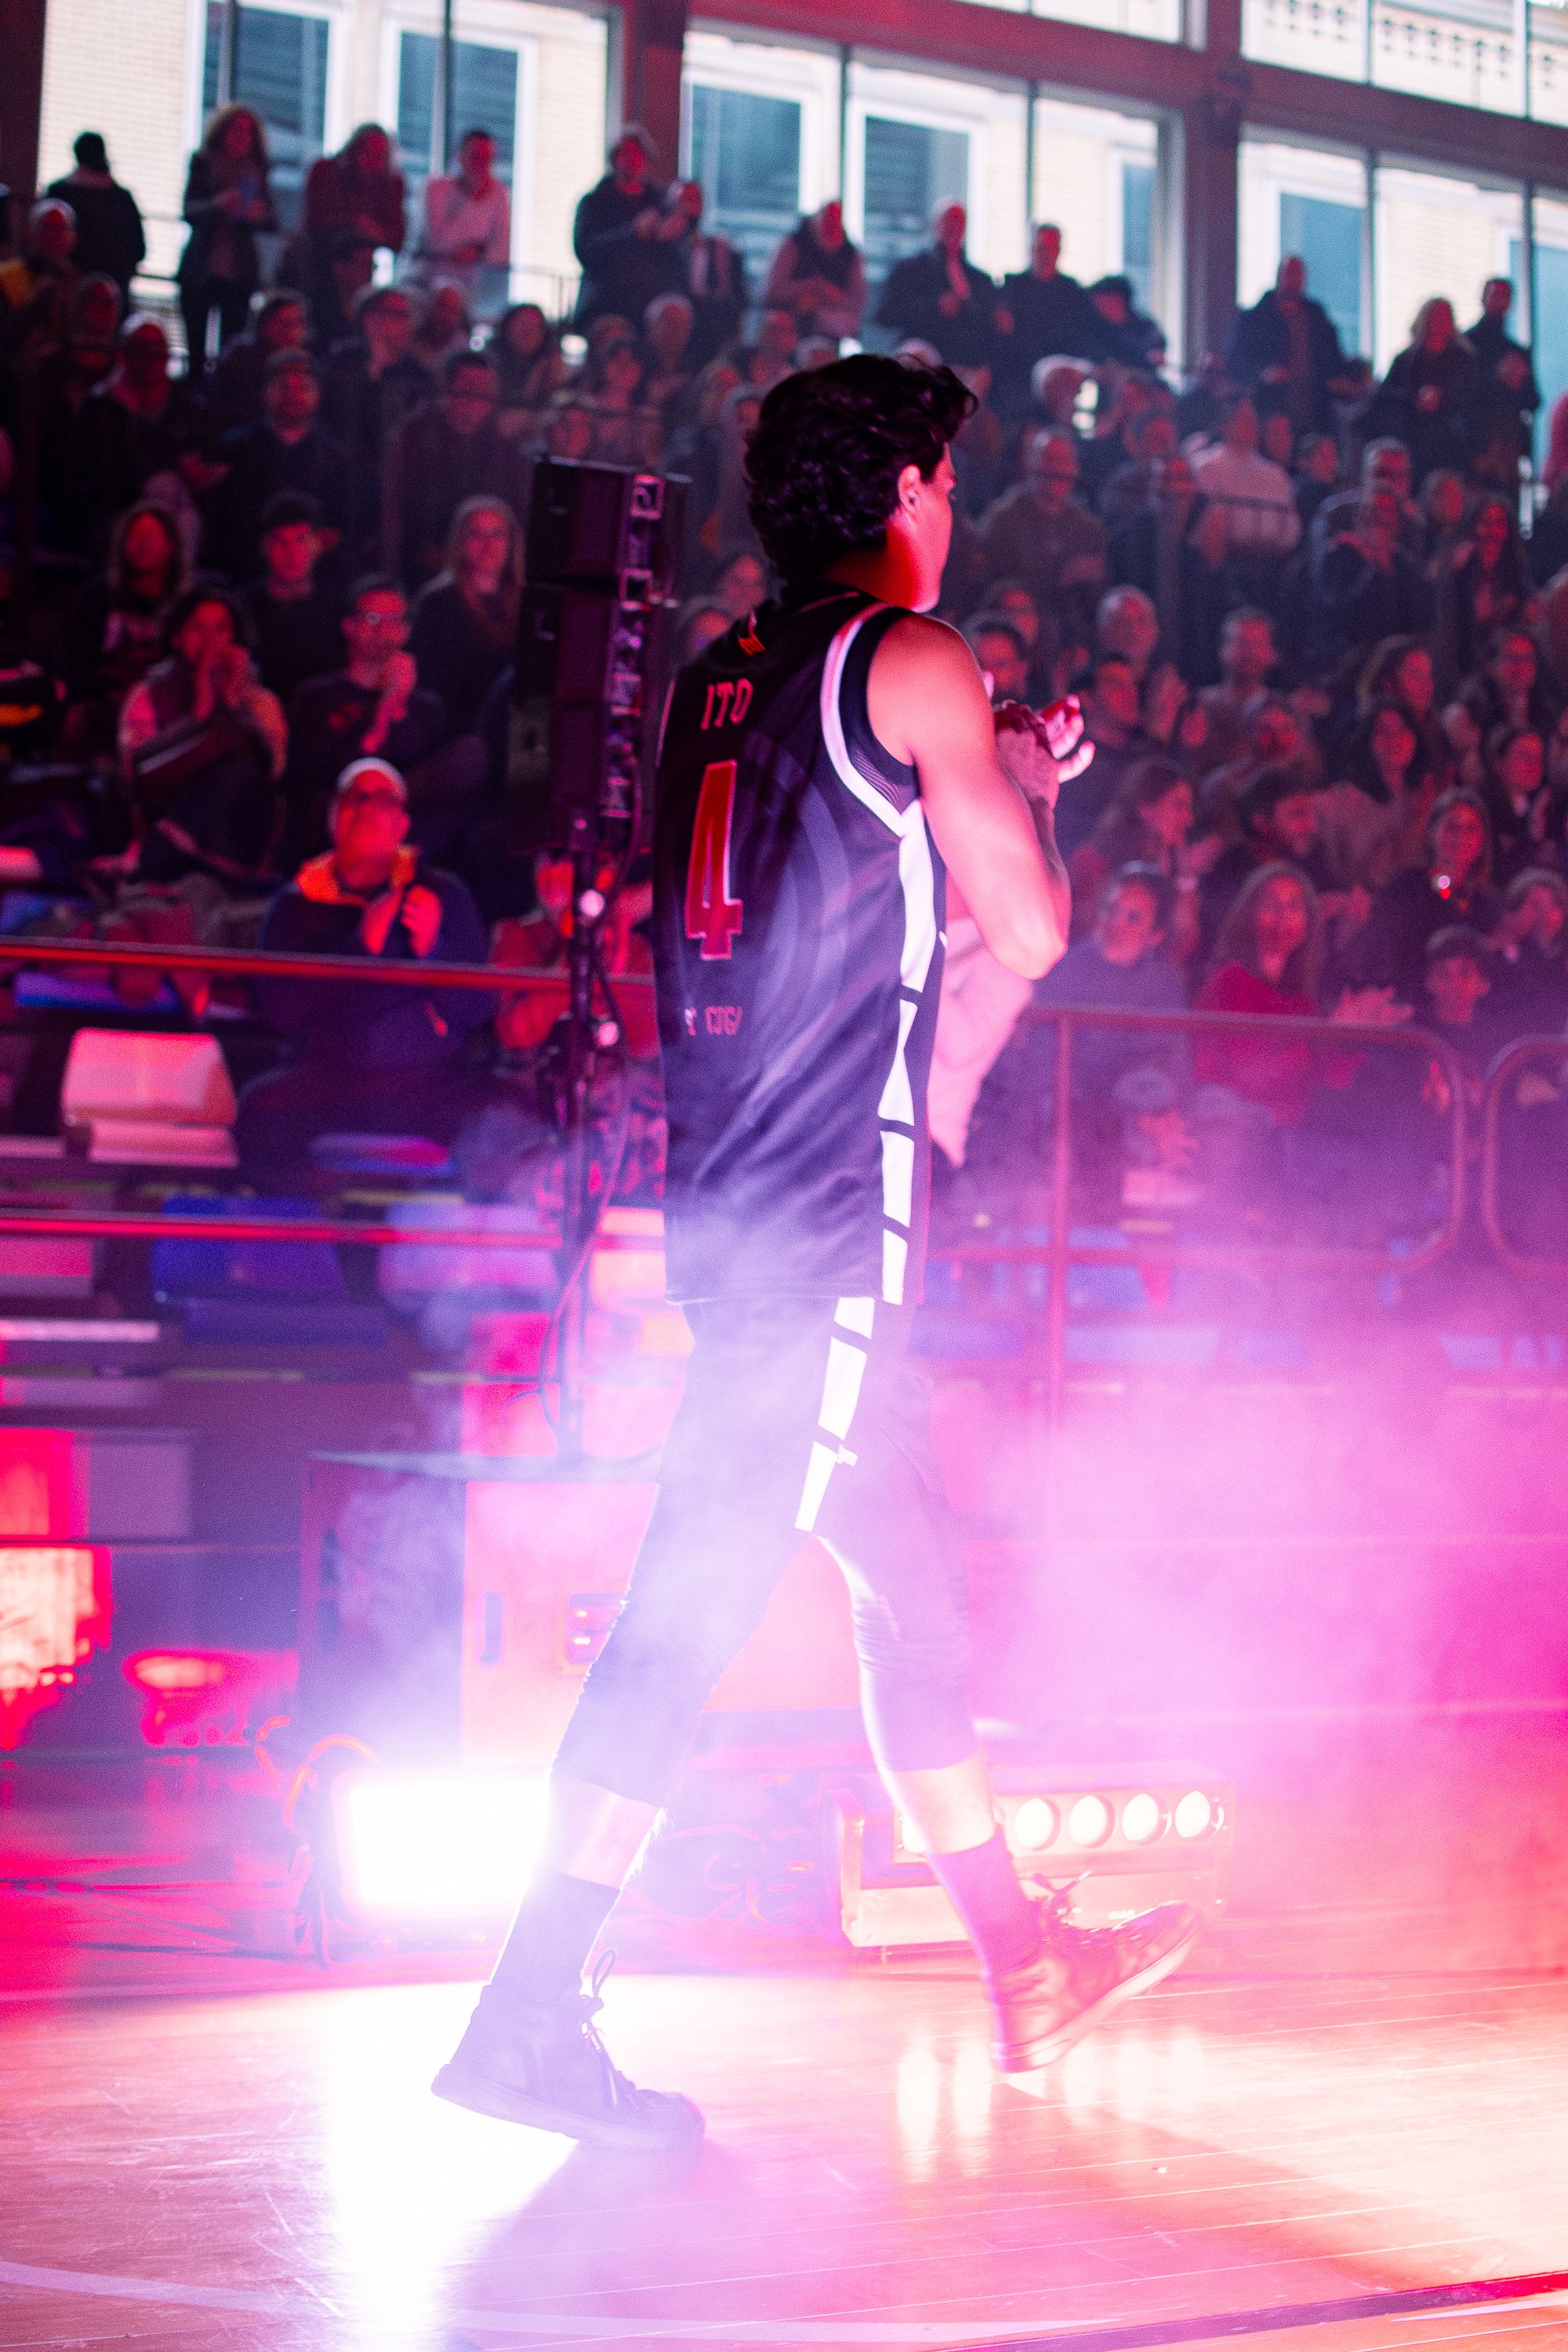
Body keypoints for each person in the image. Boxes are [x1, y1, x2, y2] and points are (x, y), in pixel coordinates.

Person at [432, 352, 1195, 2148]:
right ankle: (528, 2006)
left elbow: (834, 902)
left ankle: (1021, 1952)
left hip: (728, 1187)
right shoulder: (914, 661)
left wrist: (977, 782)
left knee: (905, 1587)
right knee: (682, 1618)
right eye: (939, 481)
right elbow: (1023, 922)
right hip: (826, 1226)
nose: (947, 510)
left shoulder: (718, 673)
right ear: (902, 494)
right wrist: (1015, 788)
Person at [238, 757, 499, 1183]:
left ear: (401, 823)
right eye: (351, 800)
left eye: (377, 800)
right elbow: (279, 1010)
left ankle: (472, 1244)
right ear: (333, 817)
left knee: (503, 1115)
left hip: (426, 1083)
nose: (361, 811)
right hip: (330, 1079)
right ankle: (307, 1236)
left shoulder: (442, 892)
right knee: (259, 1110)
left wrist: (432, 948)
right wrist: (360, 949)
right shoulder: (297, 902)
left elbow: (476, 1009)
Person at [285, 574, 463, 866]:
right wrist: (385, 707)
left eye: (393, 621)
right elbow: (327, 774)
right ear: (350, 627)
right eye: (372, 618)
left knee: (468, 757)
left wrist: (401, 703)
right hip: (339, 821)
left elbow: (426, 776)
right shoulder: (316, 696)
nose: (383, 630)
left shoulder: (427, 706)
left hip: (406, 827)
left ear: (405, 631)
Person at [116, 586, 285, 890]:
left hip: (239, 836)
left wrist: (234, 703)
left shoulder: (261, 702)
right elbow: (136, 774)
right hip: (165, 816)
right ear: (177, 638)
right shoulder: (148, 695)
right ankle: (175, 842)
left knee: (242, 764)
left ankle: (172, 838)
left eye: (221, 629)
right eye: (198, 628)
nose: (211, 640)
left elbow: (271, 771)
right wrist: (200, 710)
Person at [209, 347, 355, 583]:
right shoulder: (234, 450)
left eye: (303, 387)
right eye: (285, 387)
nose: (294, 395)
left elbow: (342, 528)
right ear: (267, 392)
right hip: (245, 576)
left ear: (317, 394)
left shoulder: (337, 459)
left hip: (315, 582)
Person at [383, 350, 527, 586]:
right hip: (419, 568)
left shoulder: (507, 451)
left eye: (484, 388)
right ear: (447, 390)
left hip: (485, 572)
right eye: (467, 385)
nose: (474, 395)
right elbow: (395, 508)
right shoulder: (414, 438)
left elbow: (514, 515)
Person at [1352, 789, 1497, 1003]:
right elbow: (1385, 949)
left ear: (1482, 841)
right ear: (1432, 833)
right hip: (1408, 1003)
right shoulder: (1406, 884)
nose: (1461, 838)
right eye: (1451, 828)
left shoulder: (1484, 902)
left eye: (1471, 830)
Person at [975, 429, 1107, 653]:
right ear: (1031, 465)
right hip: (1016, 635)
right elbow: (988, 588)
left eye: (1065, 460)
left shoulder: (1088, 528)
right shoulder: (1002, 521)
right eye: (1050, 460)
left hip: (1074, 638)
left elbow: (1096, 598)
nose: (1058, 469)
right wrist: (1058, 576)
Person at [408, 495, 522, 731]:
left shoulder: (530, 602)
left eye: (496, 534)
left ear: (511, 542)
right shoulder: (435, 603)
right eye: (476, 534)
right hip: (453, 725)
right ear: (460, 541)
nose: (486, 545)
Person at [177, 105, 275, 371]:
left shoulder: (258, 171)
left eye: (247, 132)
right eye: (236, 130)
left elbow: (273, 221)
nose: (241, 137)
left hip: (239, 273)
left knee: (231, 350)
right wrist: (217, 205)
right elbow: (189, 210)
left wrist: (258, 214)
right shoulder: (203, 162)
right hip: (201, 269)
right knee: (195, 350)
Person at [875, 204, 1011, 371]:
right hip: (923, 349)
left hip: (969, 360)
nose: (953, 227)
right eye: (948, 220)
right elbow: (885, 314)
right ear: (935, 225)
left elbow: (991, 324)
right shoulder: (909, 270)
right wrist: (934, 307)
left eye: (958, 221)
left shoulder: (980, 279)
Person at [240, 489, 344, 706]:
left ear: (318, 544)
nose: (290, 552)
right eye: (280, 542)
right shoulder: (241, 610)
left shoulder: (339, 612)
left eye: (300, 541)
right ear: (265, 546)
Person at [1225, 256, 1352, 434]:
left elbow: (1333, 358)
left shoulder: (1316, 318)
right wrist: (1263, 374)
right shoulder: (1255, 319)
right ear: (1279, 275)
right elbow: (1236, 359)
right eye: (1289, 273)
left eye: (1298, 274)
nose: (1294, 280)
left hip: (1313, 406)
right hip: (1270, 404)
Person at [572, 126, 680, 332]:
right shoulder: (594, 203)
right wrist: (632, 232)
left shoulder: (661, 204)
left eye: (637, 154)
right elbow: (585, 250)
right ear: (615, 158)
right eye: (626, 154)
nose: (632, 160)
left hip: (649, 309)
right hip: (604, 303)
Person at [302, 124, 405, 324]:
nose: (372, 160)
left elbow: (397, 237)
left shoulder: (392, 183)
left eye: (379, 155)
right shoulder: (324, 171)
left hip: (362, 274)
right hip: (319, 264)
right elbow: (314, 219)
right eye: (368, 152)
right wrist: (357, 223)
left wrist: (374, 232)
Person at [996, 225, 1103, 411]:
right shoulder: (1012, 289)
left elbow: (1091, 333)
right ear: (1031, 249)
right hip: (1019, 371)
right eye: (1041, 247)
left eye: (1052, 248)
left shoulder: (1073, 292)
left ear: (1059, 251)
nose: (1046, 254)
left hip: (1062, 371)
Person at [1189, 394, 1300, 558]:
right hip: (1227, 557)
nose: (1251, 424)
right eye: (1244, 418)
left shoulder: (1275, 473)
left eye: (1253, 418)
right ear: (1225, 425)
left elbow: (1291, 522)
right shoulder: (1206, 465)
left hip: (1274, 557)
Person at [418, 128, 511, 313]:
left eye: (487, 159)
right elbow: (435, 242)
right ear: (460, 157)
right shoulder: (435, 189)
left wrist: (478, 252)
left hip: (473, 291)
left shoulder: (499, 195)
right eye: (475, 157)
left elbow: (501, 253)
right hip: (425, 283)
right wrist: (470, 198)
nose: (481, 165)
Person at [45, 132, 144, 302]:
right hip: (112, 292)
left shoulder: (59, 194)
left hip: (68, 290)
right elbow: (139, 250)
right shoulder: (122, 199)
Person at [763, 201, 866, 346]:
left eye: (836, 222)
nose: (832, 228)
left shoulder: (851, 254)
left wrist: (825, 297)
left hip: (831, 325)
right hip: (790, 321)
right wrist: (809, 288)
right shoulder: (793, 246)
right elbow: (771, 293)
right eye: (828, 222)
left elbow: (856, 299)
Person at [207, 288, 310, 430]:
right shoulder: (240, 358)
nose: (288, 329)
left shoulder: (307, 366)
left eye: (295, 322)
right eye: (280, 321)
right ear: (263, 324)